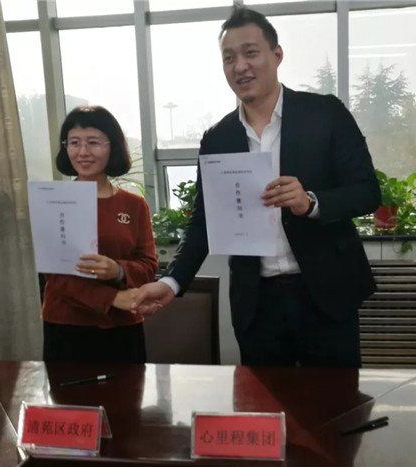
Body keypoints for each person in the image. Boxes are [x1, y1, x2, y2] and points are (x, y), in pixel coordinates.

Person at [132, 8, 380, 368]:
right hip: (258, 304)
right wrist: (171, 282)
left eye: (250, 53)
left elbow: (367, 191)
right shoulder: (218, 138)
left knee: (335, 400)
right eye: (229, 58)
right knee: (264, 401)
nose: (240, 66)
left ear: (276, 55)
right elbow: (204, 221)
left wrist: (311, 202)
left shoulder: (325, 114)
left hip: (325, 295)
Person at [41, 106, 157, 363]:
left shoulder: (134, 205)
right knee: (68, 391)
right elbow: (55, 274)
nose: (83, 152)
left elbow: (148, 266)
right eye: (74, 143)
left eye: (93, 142)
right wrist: (113, 298)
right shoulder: (53, 200)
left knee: (129, 388)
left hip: (123, 325)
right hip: (67, 325)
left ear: (112, 147)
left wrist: (118, 270)